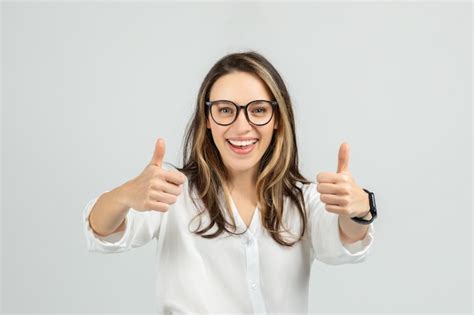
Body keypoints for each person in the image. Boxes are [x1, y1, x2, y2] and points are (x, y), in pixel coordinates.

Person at [83, 51, 376, 314]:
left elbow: (346, 240)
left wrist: (360, 210)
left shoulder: (303, 200)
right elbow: (102, 231)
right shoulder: (172, 190)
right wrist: (124, 196)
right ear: (207, 118)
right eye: (225, 110)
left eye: (258, 110)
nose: (241, 126)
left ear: (277, 118)